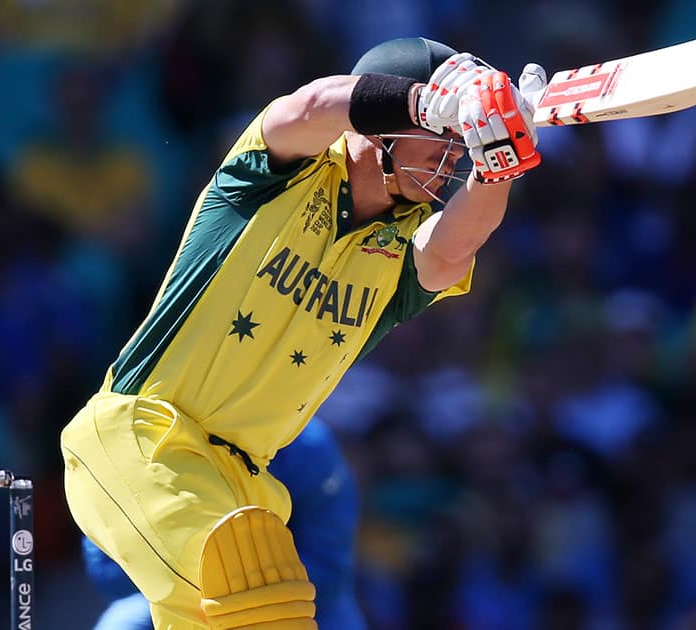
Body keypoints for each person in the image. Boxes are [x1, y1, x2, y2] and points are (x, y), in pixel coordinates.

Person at [61, 35, 546, 629]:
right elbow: (311, 106)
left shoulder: (403, 244)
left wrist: (501, 162)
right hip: (142, 436)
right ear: (379, 131)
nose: (452, 161)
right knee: (260, 598)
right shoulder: (276, 174)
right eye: (442, 142)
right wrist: (427, 102)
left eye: (458, 146)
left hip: (245, 478)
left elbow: (455, 248)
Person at [81, 417, 365, 629]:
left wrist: (238, 598)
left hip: (289, 602)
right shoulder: (135, 436)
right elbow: (107, 572)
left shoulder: (307, 444)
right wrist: (200, 594)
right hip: (173, 600)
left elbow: (329, 567)